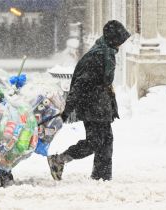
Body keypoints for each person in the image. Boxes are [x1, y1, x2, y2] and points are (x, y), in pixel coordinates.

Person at [47, 20, 131, 181]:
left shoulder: (106, 53)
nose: (121, 44)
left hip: (100, 105)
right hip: (92, 106)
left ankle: (101, 176)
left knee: (105, 141)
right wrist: (67, 110)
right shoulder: (97, 56)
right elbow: (79, 85)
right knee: (95, 142)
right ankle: (59, 160)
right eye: (120, 40)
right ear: (113, 39)